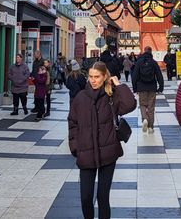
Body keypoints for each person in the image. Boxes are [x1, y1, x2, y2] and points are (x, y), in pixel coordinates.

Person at [68, 61, 137, 219]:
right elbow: (72, 122)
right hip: (85, 152)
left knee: (102, 197)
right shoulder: (80, 97)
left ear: (104, 76)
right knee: (86, 198)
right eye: (91, 77)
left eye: (97, 77)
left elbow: (130, 104)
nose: (93, 80)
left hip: (108, 152)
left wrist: (119, 85)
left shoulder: (111, 95)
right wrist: (75, 147)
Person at [132, 46, 164, 133]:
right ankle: (150, 127)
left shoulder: (139, 62)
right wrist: (160, 88)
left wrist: (135, 88)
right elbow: (159, 75)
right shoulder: (153, 62)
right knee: (151, 107)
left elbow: (134, 76)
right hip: (152, 87)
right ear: (151, 52)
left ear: (144, 51)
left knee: (142, 105)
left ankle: (144, 119)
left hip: (141, 87)